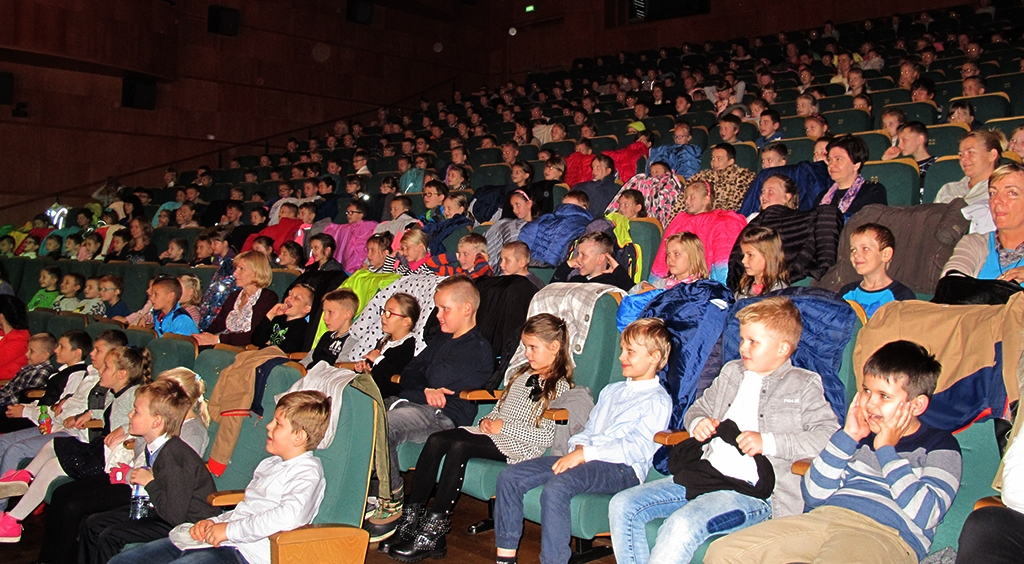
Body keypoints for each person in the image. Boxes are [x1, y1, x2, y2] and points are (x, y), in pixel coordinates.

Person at [610, 297, 838, 564]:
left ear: (782, 348)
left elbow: (829, 435)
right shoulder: (732, 372)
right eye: (742, 339)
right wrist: (698, 424)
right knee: (623, 505)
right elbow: (696, 410)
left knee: (681, 524)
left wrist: (769, 442)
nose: (743, 347)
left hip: (754, 493)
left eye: (754, 342)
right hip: (705, 475)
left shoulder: (802, 384)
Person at [705, 341, 960, 564]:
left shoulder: (939, 444)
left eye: (884, 396)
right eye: (867, 391)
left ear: (916, 405)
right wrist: (847, 436)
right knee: (724, 553)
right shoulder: (858, 437)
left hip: (886, 535)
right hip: (825, 519)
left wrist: (886, 450)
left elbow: (927, 513)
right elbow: (814, 495)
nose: (870, 403)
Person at [384, 314, 574, 558]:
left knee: (459, 445)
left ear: (555, 347)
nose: (527, 353)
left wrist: (501, 427)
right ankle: (411, 521)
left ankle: (434, 532)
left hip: (518, 445)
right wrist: (489, 421)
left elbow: (545, 436)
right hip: (494, 435)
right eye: (526, 347)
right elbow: (501, 406)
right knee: (438, 439)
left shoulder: (559, 386)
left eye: (533, 348)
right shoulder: (521, 375)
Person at [493, 317, 672, 564]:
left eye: (630, 351)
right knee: (510, 477)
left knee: (557, 487)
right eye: (622, 350)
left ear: (655, 357)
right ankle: (505, 559)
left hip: (623, 468)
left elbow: (637, 448)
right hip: (588, 458)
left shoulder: (657, 400)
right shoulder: (612, 391)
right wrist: (578, 446)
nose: (622, 357)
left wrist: (586, 454)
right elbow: (589, 429)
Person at [107, 390, 331, 564]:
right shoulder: (270, 464)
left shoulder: (307, 472)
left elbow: (288, 517)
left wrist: (228, 530)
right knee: (123, 561)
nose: (268, 427)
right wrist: (213, 522)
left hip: (248, 554)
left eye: (278, 424)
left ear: (299, 436)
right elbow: (247, 509)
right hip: (225, 540)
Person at [378, 277, 494, 539]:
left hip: (443, 417)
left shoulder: (476, 348)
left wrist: (427, 379)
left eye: (444, 309)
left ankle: (392, 499)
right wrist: (427, 388)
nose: (438, 316)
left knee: (382, 426)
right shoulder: (442, 340)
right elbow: (408, 372)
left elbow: (435, 376)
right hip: (414, 404)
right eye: (437, 309)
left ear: (466, 308)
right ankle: (373, 494)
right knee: (359, 416)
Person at [0, 346, 151, 541]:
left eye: (106, 367)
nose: (101, 371)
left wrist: (123, 428)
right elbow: (106, 411)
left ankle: (18, 497)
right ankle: (15, 510)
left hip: (109, 459)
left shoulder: (135, 394)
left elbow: (141, 420)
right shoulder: (115, 393)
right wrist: (88, 413)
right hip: (101, 450)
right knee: (53, 453)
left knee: (56, 453)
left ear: (121, 374)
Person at [79, 377, 218, 563]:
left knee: (110, 536)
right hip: (161, 508)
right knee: (92, 523)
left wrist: (149, 482)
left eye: (136, 412)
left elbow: (173, 515)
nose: (129, 415)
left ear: (156, 422)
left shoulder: (173, 457)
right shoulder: (155, 446)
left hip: (187, 522)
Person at [195, 251, 278, 347]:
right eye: (236, 268)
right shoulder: (234, 296)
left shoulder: (267, 298)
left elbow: (255, 335)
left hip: (243, 349)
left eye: (241, 269)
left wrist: (218, 339)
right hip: (223, 345)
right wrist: (202, 337)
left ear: (256, 272)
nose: (235, 273)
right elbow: (217, 325)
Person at [350, 293, 420, 400]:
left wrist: (378, 359)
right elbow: (376, 371)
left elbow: (395, 375)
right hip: (370, 391)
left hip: (387, 397)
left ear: (406, 321)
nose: (383, 316)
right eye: (383, 311)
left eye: (389, 313)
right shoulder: (384, 341)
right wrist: (364, 368)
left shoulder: (408, 345)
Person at [840, 224, 915, 318]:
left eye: (865, 249)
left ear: (886, 254)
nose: (856, 255)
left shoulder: (901, 295)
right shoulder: (847, 292)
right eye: (853, 250)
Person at [814, 135, 887, 220]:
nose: (831, 165)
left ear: (856, 165)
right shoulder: (823, 196)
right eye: (829, 160)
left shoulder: (873, 191)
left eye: (838, 159)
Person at [934, 130, 1002, 206]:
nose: (963, 159)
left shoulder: (1002, 190)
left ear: (992, 155)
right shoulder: (949, 189)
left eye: (971, 152)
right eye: (961, 155)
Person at [552, 231, 634, 291]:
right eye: (578, 254)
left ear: (600, 259)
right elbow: (551, 292)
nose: (577, 259)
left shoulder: (612, 283)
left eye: (583, 255)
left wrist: (618, 271)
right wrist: (566, 265)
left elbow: (635, 294)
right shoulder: (576, 280)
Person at [632, 232, 708, 294]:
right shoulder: (663, 284)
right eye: (668, 254)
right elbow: (631, 295)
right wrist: (642, 286)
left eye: (677, 254)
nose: (670, 259)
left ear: (693, 256)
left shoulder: (703, 288)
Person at [300, 289, 359, 368]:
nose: (325, 318)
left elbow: (340, 367)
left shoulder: (352, 339)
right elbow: (308, 359)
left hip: (326, 376)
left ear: (347, 314)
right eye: (324, 312)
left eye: (330, 312)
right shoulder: (327, 336)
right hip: (309, 373)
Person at [249, 284, 315, 353]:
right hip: (261, 355)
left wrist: (266, 345)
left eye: (296, 298)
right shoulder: (278, 318)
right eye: (289, 294)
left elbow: (285, 351)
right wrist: (271, 314)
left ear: (306, 309)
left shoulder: (302, 328)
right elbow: (256, 340)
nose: (289, 298)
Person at [0, 332, 55, 409]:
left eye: (31, 351)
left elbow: (24, 396)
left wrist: (1, 401)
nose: (26, 354)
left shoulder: (43, 372)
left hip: (14, 407)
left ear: (45, 355)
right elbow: (9, 386)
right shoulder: (28, 368)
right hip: (5, 401)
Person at [734, 226, 789, 298]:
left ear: (768, 256)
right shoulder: (744, 289)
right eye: (743, 255)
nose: (743, 261)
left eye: (750, 255)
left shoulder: (780, 294)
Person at [574, 155, 620, 219]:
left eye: (598, 167)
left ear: (608, 170)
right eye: (593, 168)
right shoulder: (584, 185)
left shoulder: (610, 187)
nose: (594, 171)